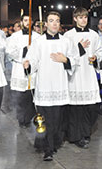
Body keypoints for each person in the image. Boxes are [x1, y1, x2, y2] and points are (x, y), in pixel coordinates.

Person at [23, 11, 77, 161]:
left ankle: (53, 144)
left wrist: (65, 59)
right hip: (45, 85)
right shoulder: (39, 42)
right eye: (51, 20)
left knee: (57, 120)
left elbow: (75, 60)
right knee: (45, 119)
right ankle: (47, 149)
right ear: (45, 24)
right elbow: (32, 61)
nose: (54, 23)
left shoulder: (66, 42)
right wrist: (28, 65)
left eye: (57, 21)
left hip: (60, 85)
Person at [63, 7, 102, 149]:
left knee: (90, 107)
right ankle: (76, 136)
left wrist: (96, 57)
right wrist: (80, 47)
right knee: (76, 109)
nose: (83, 20)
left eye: (85, 17)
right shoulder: (68, 35)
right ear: (75, 19)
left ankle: (86, 133)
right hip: (75, 75)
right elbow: (66, 56)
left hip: (89, 73)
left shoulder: (94, 35)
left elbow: (100, 51)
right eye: (80, 17)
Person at [6, 14, 40, 128]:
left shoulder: (37, 36)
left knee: (31, 96)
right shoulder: (15, 36)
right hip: (19, 69)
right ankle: (21, 119)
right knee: (21, 97)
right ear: (21, 22)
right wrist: (25, 49)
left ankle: (30, 117)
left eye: (29, 21)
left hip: (33, 70)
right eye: (25, 20)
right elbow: (10, 52)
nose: (27, 23)